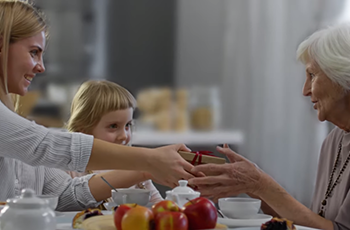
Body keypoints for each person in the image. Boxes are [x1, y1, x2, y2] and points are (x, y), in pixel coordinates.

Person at [0, 0, 195, 210]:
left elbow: (66, 194)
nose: (41, 67)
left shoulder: (16, 130)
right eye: (33, 52)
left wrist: (145, 171)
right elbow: (43, 145)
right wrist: (150, 159)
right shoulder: (24, 137)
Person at [188, 23, 350, 230]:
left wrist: (261, 184)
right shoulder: (333, 141)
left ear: (343, 76)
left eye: (312, 75)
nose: (305, 90)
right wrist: (251, 185)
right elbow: (314, 225)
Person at [66, 80, 163, 206]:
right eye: (113, 126)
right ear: (83, 130)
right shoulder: (72, 170)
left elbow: (160, 206)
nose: (124, 135)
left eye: (127, 125)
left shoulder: (135, 166)